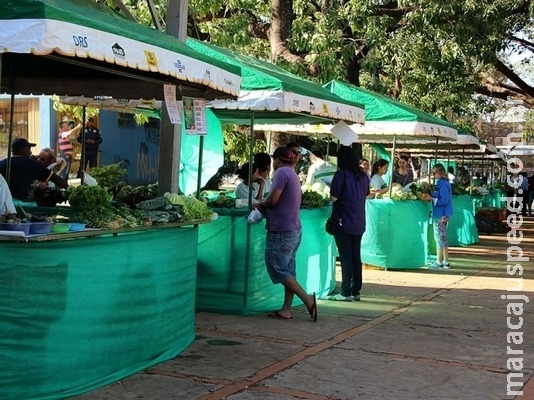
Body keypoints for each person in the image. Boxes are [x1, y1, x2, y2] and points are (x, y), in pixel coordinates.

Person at [255, 147, 317, 321]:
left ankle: (307, 300)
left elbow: (274, 199)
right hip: (293, 228)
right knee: (288, 269)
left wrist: (261, 204)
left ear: (277, 159)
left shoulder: (281, 172)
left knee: (277, 266)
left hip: (282, 230)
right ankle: (286, 309)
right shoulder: (292, 173)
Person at [326, 145, 369, 301]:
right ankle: (355, 289)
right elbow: (366, 194)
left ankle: (345, 291)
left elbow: (334, 197)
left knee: (345, 257)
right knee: (355, 256)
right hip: (358, 220)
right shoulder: (363, 175)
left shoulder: (341, 174)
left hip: (343, 220)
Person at [0, 138, 68, 201]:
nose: (31, 153)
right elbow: (55, 178)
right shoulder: (29, 163)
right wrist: (71, 190)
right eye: (29, 149)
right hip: (22, 207)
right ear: (22, 150)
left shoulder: (2, 163)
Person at [422, 163, 453, 270]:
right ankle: (445, 261)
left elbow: (444, 200)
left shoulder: (443, 184)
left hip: (441, 214)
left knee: (439, 238)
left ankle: (439, 261)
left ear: (439, 172)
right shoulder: (441, 183)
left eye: (434, 172)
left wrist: (431, 198)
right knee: (443, 238)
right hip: (442, 213)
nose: (433, 174)